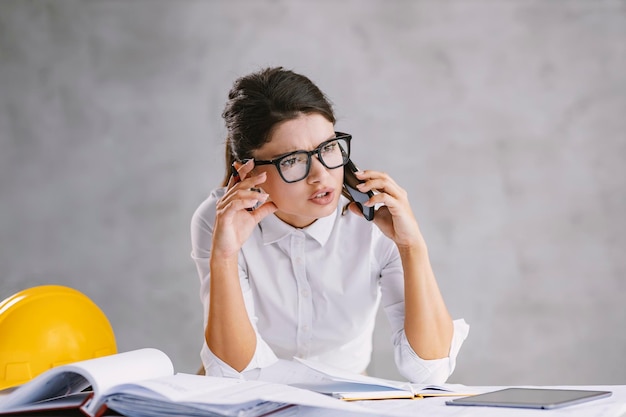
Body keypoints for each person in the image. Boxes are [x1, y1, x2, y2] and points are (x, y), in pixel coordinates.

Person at [190, 67, 469, 384]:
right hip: (247, 403)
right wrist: (225, 255)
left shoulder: (375, 218)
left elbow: (429, 371)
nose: (321, 175)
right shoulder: (219, 220)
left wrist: (411, 246)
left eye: (328, 148)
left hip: (343, 403)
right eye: (293, 159)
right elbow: (233, 374)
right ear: (246, 171)